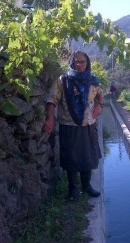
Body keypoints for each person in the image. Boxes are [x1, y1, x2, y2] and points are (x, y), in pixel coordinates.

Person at [43, 50, 104, 201]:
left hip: (89, 124)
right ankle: (73, 191)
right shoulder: (63, 80)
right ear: (72, 62)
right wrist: (50, 118)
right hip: (69, 125)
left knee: (88, 157)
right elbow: (52, 99)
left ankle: (86, 186)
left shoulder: (92, 79)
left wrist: (99, 106)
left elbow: (100, 94)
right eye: (77, 61)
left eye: (83, 62)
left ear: (87, 63)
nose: (80, 64)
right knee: (71, 158)